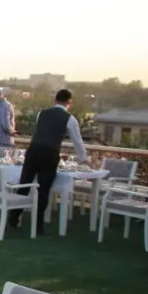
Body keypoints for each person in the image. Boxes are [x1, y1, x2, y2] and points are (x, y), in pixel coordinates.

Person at [8, 89, 88, 234]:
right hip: (50, 153)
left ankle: (14, 217)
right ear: (69, 103)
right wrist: (84, 159)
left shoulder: (42, 113)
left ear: (55, 100)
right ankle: (38, 226)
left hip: (33, 151)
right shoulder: (70, 119)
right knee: (43, 190)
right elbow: (77, 141)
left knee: (24, 184)